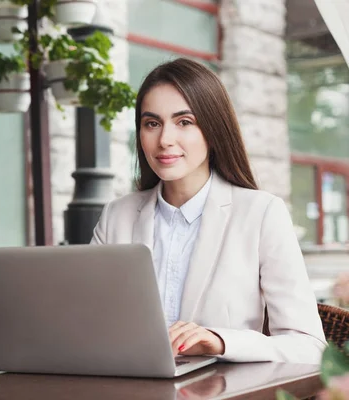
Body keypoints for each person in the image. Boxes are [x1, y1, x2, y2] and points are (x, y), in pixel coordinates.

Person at [90, 58, 326, 364]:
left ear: (213, 130)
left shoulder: (262, 214)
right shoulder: (116, 216)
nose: (165, 140)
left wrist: (219, 341)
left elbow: (310, 347)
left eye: (184, 122)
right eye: (152, 123)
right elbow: (88, 322)